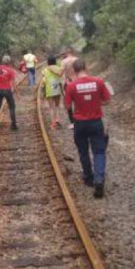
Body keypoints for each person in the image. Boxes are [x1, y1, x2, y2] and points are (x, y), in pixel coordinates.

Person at [64, 60, 112, 198]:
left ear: (74, 70)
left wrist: (77, 103)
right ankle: (99, 179)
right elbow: (107, 101)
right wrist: (96, 102)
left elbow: (67, 106)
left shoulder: (71, 85)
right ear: (86, 67)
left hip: (79, 123)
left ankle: (88, 178)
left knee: (83, 151)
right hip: (96, 122)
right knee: (99, 151)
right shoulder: (98, 81)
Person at [39, 54, 64, 129]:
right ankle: (57, 119)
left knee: (51, 107)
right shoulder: (58, 69)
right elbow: (60, 80)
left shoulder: (45, 70)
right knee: (57, 106)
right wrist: (62, 90)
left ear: (48, 62)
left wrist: (42, 92)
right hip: (57, 88)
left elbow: (44, 81)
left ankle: (53, 123)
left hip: (49, 89)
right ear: (55, 62)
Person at [60, 47, 78, 126]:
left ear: (66, 53)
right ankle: (80, 118)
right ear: (72, 52)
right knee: (78, 101)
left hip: (68, 83)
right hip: (77, 82)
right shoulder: (77, 59)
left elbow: (60, 73)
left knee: (69, 102)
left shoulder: (64, 61)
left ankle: (72, 122)